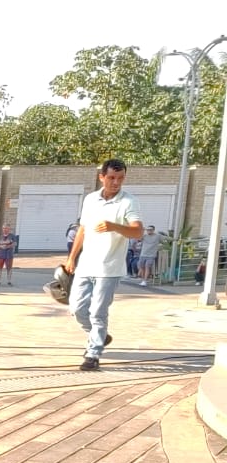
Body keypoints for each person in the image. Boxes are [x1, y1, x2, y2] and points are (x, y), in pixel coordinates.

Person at [65, 159, 143, 371]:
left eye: (120, 178)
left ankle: (93, 355)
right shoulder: (90, 199)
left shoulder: (128, 202)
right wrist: (72, 258)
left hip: (109, 268)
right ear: (102, 177)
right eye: (111, 178)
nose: (116, 182)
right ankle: (100, 335)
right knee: (77, 308)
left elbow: (137, 231)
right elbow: (82, 229)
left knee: (98, 312)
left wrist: (114, 226)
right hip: (86, 265)